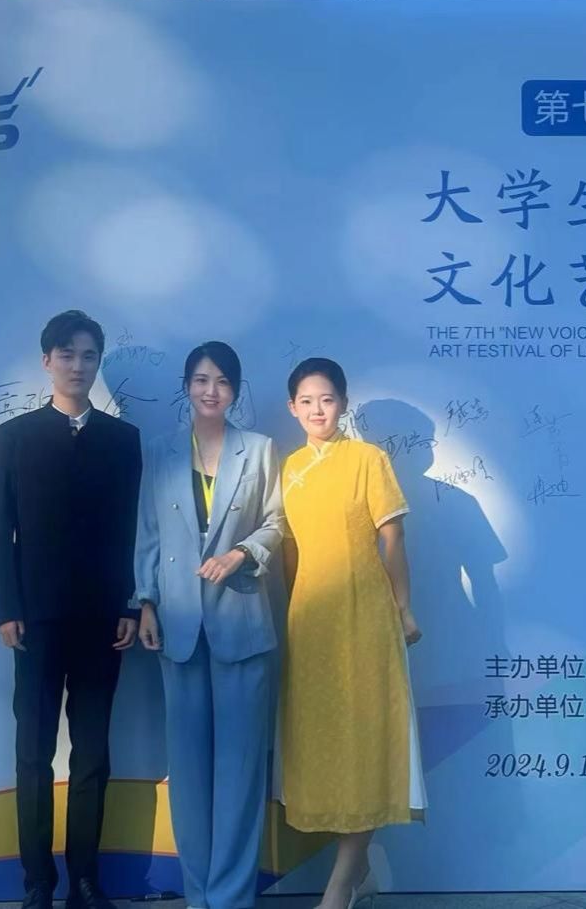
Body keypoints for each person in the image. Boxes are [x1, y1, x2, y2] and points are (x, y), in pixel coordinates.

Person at [0, 309, 142, 909]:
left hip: (103, 621)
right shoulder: (15, 437)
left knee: (93, 754)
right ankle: (37, 883)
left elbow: (131, 530)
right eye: (67, 354)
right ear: (47, 361)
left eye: (89, 355)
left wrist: (129, 603)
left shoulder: (122, 441)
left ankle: (84, 880)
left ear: (98, 363)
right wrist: (6, 609)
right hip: (36, 620)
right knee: (33, 753)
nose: (78, 365)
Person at [135, 341, 284, 909]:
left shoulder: (260, 449)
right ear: (186, 386)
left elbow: (277, 521)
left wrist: (243, 553)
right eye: (201, 379)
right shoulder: (161, 451)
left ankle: (231, 898)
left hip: (242, 622)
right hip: (178, 626)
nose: (210, 390)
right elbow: (148, 533)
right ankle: (199, 895)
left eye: (222, 381)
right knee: (190, 773)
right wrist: (146, 603)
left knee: (241, 772)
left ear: (236, 391)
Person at [278, 357, 425, 909]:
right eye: (307, 401)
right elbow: (289, 550)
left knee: (365, 742)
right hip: (310, 621)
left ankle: (339, 886)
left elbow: (393, 538)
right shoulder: (289, 468)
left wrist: (404, 609)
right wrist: (293, 610)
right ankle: (361, 870)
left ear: (343, 403)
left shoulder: (369, 459)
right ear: (292, 408)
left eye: (328, 399)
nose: (318, 410)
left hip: (365, 616)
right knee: (324, 745)